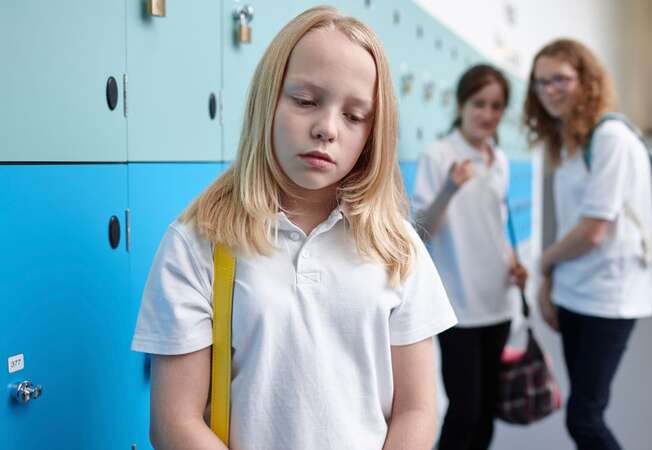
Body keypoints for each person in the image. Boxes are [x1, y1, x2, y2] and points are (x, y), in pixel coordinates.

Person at [130, 7, 457, 449]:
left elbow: (417, 409)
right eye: (305, 101)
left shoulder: (396, 248)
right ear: (269, 99)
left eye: (355, 116)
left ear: (373, 135)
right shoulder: (198, 244)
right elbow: (175, 422)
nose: (326, 129)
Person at [523, 39, 652, 450]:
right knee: (583, 411)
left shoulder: (611, 138)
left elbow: (593, 230)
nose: (550, 90)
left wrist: (543, 265)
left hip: (610, 294)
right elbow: (571, 226)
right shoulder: (569, 143)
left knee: (584, 417)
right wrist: (552, 285)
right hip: (577, 289)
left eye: (561, 79)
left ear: (587, 81)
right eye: (541, 82)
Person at [412, 64, 528, 450]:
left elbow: (498, 224)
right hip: (458, 305)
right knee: (463, 409)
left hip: (498, 300)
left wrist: (513, 261)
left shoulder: (500, 160)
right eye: (479, 103)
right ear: (461, 104)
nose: (488, 114)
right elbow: (421, 229)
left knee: (486, 413)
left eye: (497, 106)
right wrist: (449, 187)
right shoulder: (439, 154)